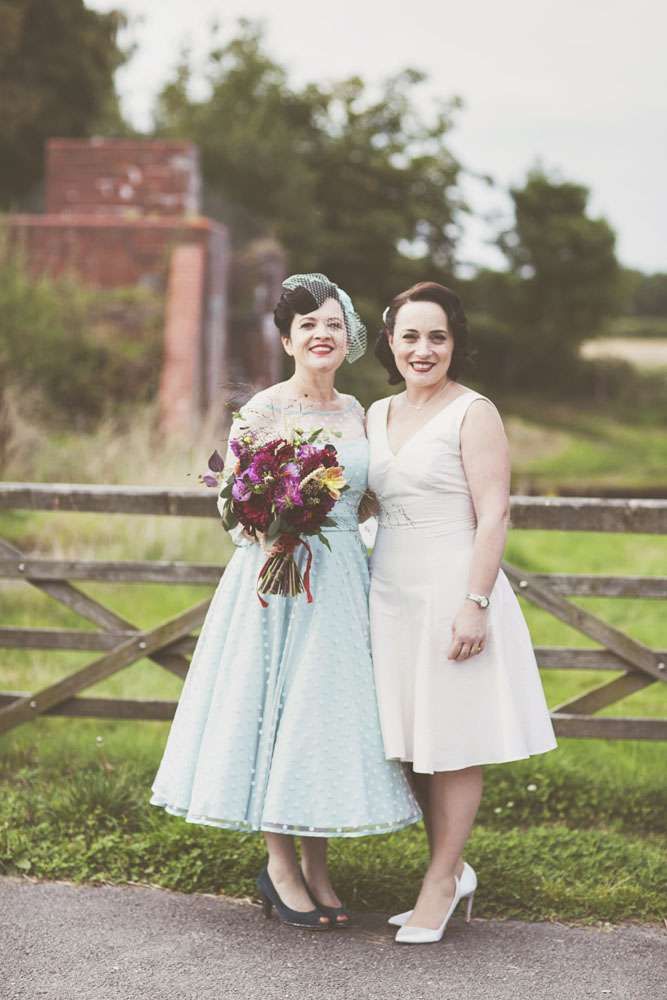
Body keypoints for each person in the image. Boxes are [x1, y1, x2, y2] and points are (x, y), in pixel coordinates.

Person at [151, 273, 420, 931]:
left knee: (320, 718)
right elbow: (231, 504)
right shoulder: (263, 410)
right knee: (275, 710)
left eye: (332, 324)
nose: (322, 334)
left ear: (348, 337)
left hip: (341, 582)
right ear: (287, 340)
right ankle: (279, 867)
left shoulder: (359, 412)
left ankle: (318, 869)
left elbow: (367, 497)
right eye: (308, 326)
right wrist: (274, 524)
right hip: (277, 581)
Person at [367, 281, 556, 944]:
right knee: (409, 745)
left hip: (452, 589)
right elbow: (366, 502)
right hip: (388, 594)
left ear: (455, 343)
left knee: (451, 743)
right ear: (390, 342)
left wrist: (475, 605)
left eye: (437, 337)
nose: (422, 349)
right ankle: (451, 867)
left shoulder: (474, 413)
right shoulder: (375, 414)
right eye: (410, 336)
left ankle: (440, 883)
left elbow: (493, 513)